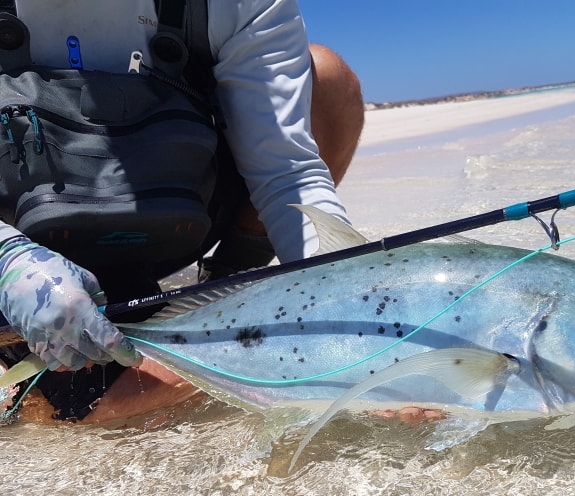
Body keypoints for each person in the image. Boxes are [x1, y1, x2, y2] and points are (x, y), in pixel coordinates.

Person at [0, 0, 364, 420]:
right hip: (20, 241)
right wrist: (8, 260)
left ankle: (229, 279)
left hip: (179, 218)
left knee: (326, 79)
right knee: (61, 412)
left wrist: (347, 301)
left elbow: (287, 172)